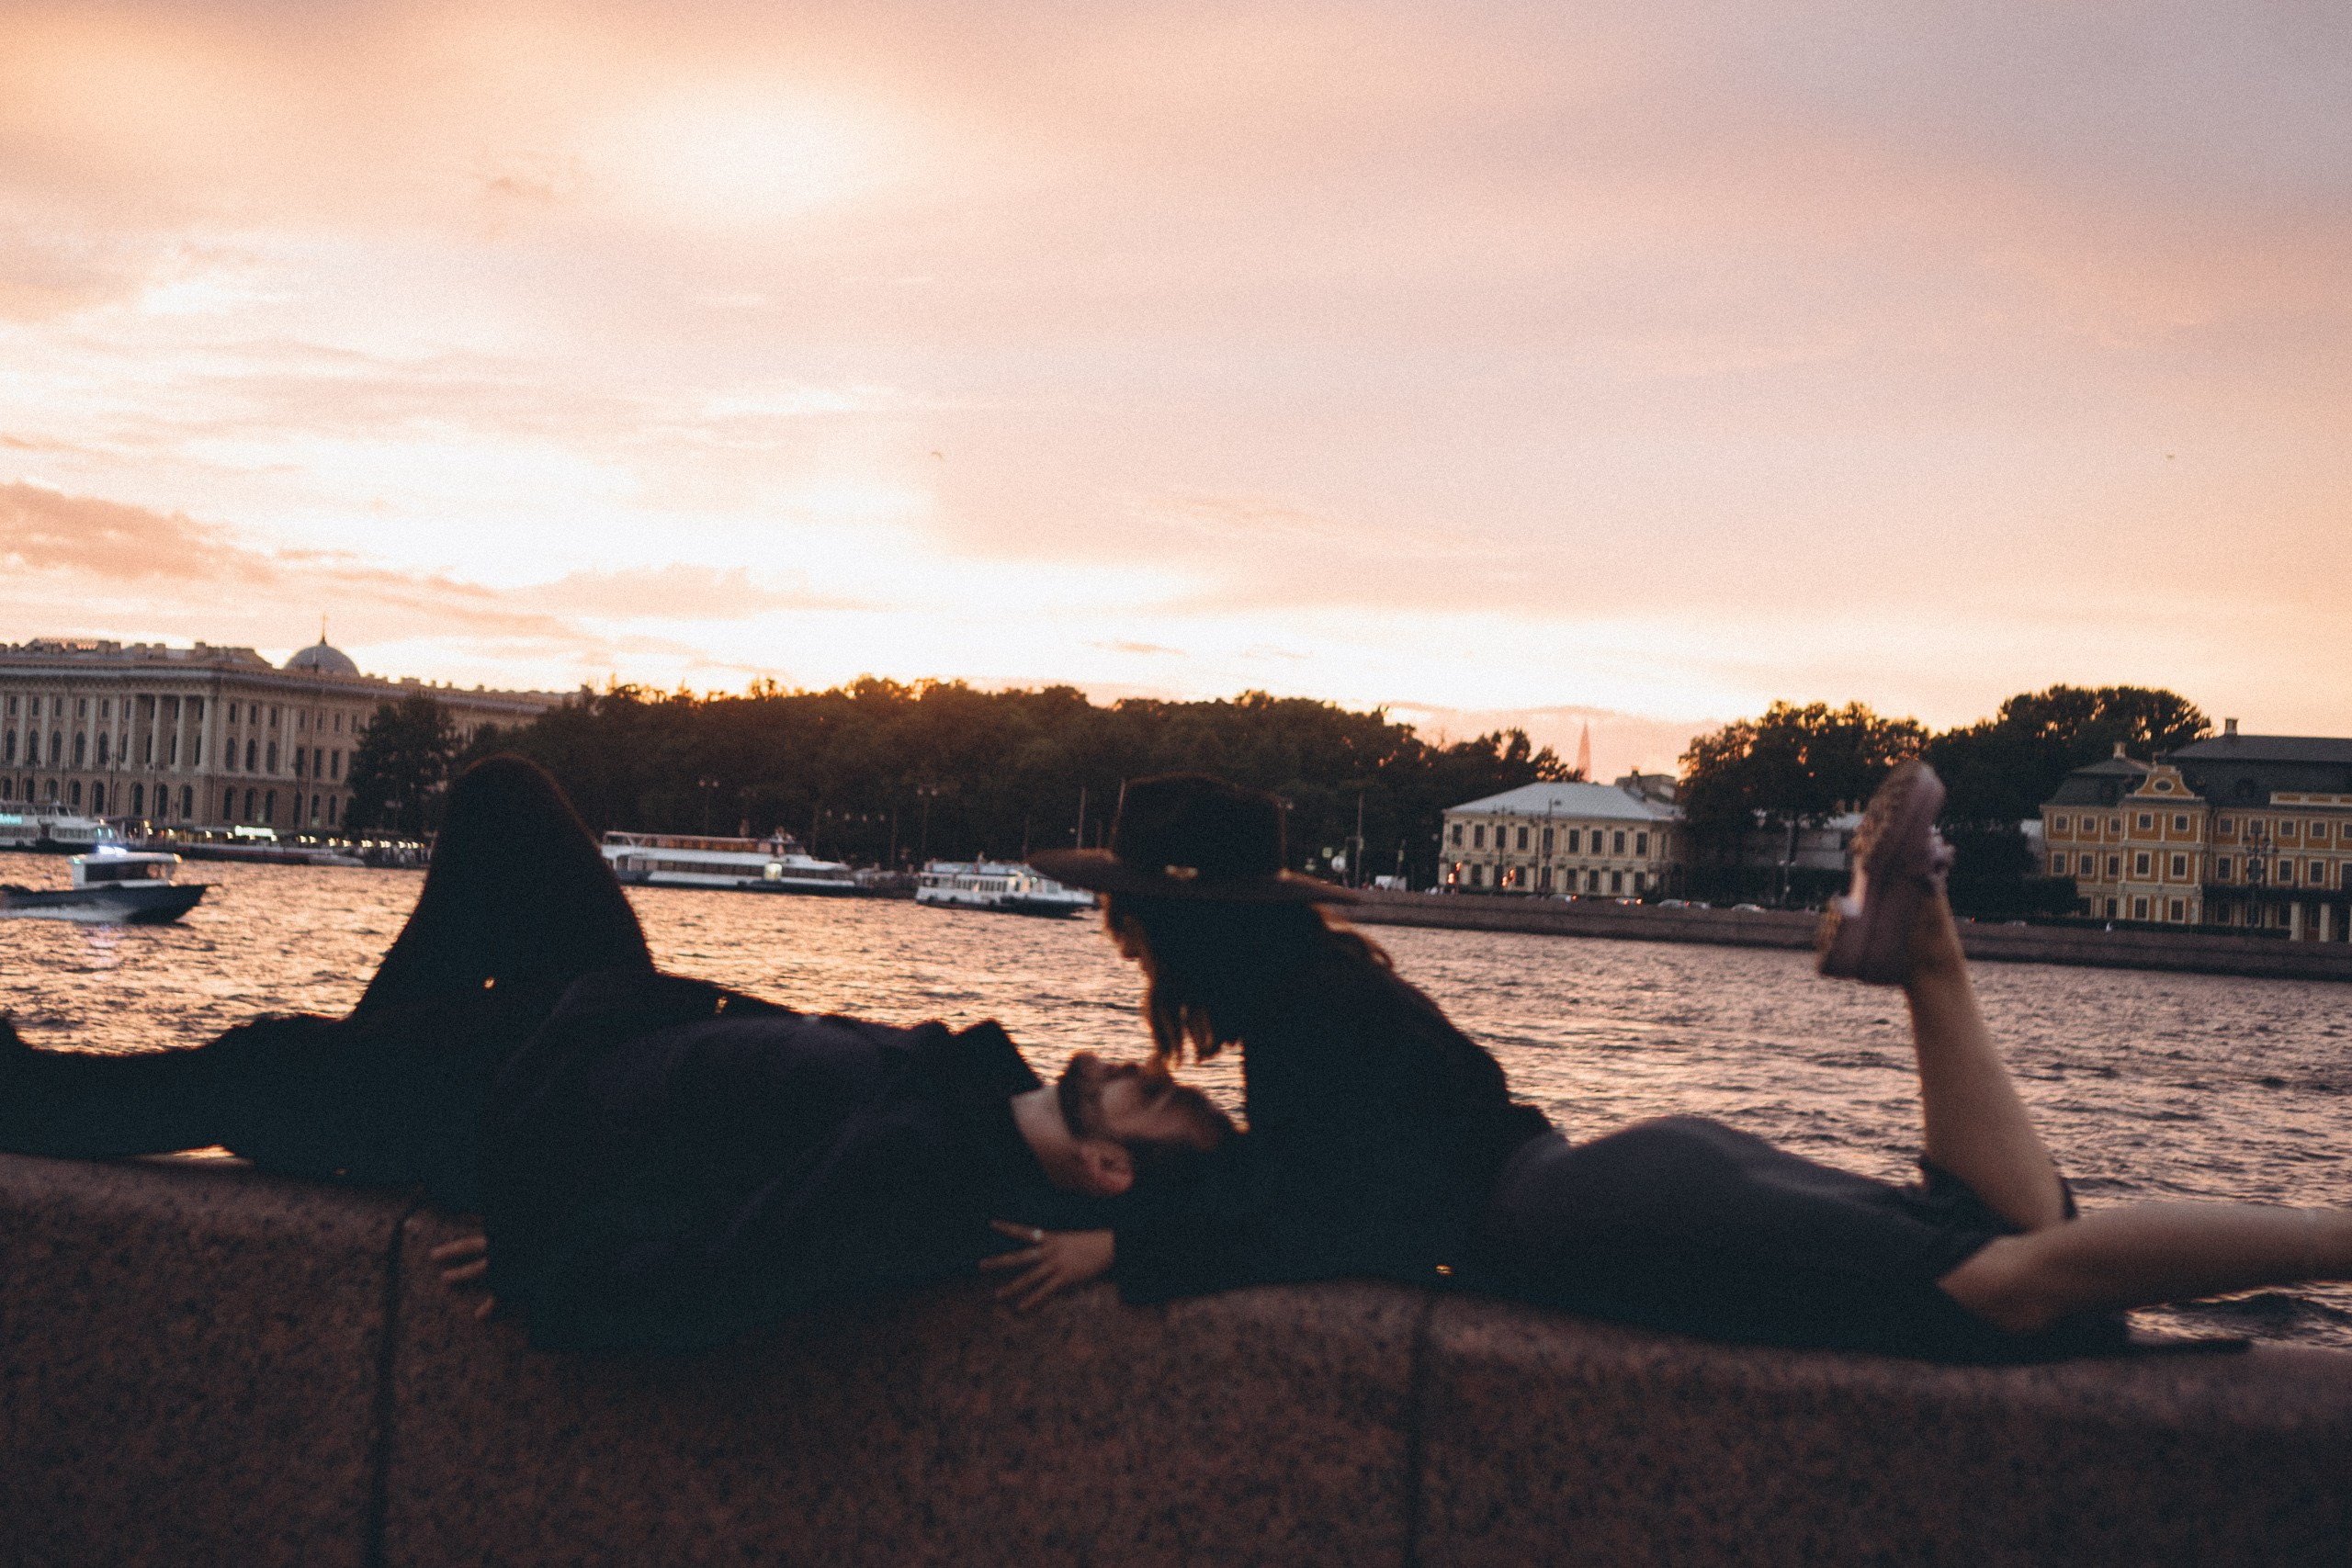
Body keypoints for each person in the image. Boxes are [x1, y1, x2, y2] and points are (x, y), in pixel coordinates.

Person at [1023, 767, 2352, 1361]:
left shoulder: (1301, 1029)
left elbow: (1333, 1227)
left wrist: (1131, 1246)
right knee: (2001, 1235)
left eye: (1126, 911)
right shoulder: (1328, 994)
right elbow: (1330, 1202)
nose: (1119, 932)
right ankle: (1929, 954)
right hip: (1618, 1181)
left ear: (1178, 925)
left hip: (1597, 1219)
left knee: (2009, 1285)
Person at [0, 755, 1226, 1352]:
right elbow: (1259, 1188)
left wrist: (548, 1261)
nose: (1143, 1067)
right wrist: (1129, 1244)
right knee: (504, 798)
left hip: (531, 1109)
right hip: (614, 1016)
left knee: (249, 1071)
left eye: (1151, 1098)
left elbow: (731, 1272)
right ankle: (358, 1063)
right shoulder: (984, 1092)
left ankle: (31, 1095)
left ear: (1109, 1167)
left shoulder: (922, 1168)